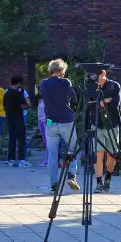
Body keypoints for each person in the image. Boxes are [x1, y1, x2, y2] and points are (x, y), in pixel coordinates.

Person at [39, 61, 80, 192]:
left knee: (52, 154)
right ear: (61, 71)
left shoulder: (43, 83)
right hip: (66, 120)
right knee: (72, 149)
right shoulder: (65, 82)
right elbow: (75, 99)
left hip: (50, 121)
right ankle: (71, 175)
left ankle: (54, 183)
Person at [94, 69, 121, 192]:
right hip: (97, 124)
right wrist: (103, 100)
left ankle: (108, 178)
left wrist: (101, 102)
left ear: (104, 74)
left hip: (112, 124)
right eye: (97, 75)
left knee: (112, 155)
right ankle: (98, 182)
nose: (98, 78)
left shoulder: (114, 86)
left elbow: (115, 103)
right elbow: (90, 104)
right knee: (99, 153)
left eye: (100, 74)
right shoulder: (93, 87)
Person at [3, 75, 30, 168]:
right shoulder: (19, 94)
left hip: (10, 118)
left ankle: (11, 159)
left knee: (12, 139)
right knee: (21, 139)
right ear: (18, 83)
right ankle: (22, 160)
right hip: (19, 118)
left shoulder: (6, 93)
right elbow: (25, 105)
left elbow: (4, 106)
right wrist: (25, 106)